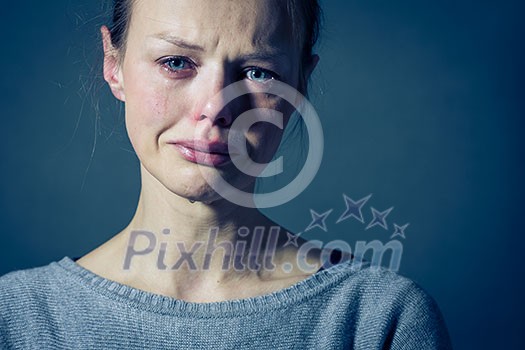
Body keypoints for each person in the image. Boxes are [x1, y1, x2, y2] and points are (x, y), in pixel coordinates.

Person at [0, 0, 452, 349]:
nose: (214, 110)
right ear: (113, 64)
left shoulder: (378, 320)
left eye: (259, 72)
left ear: (299, 84)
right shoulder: (17, 319)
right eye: (176, 62)